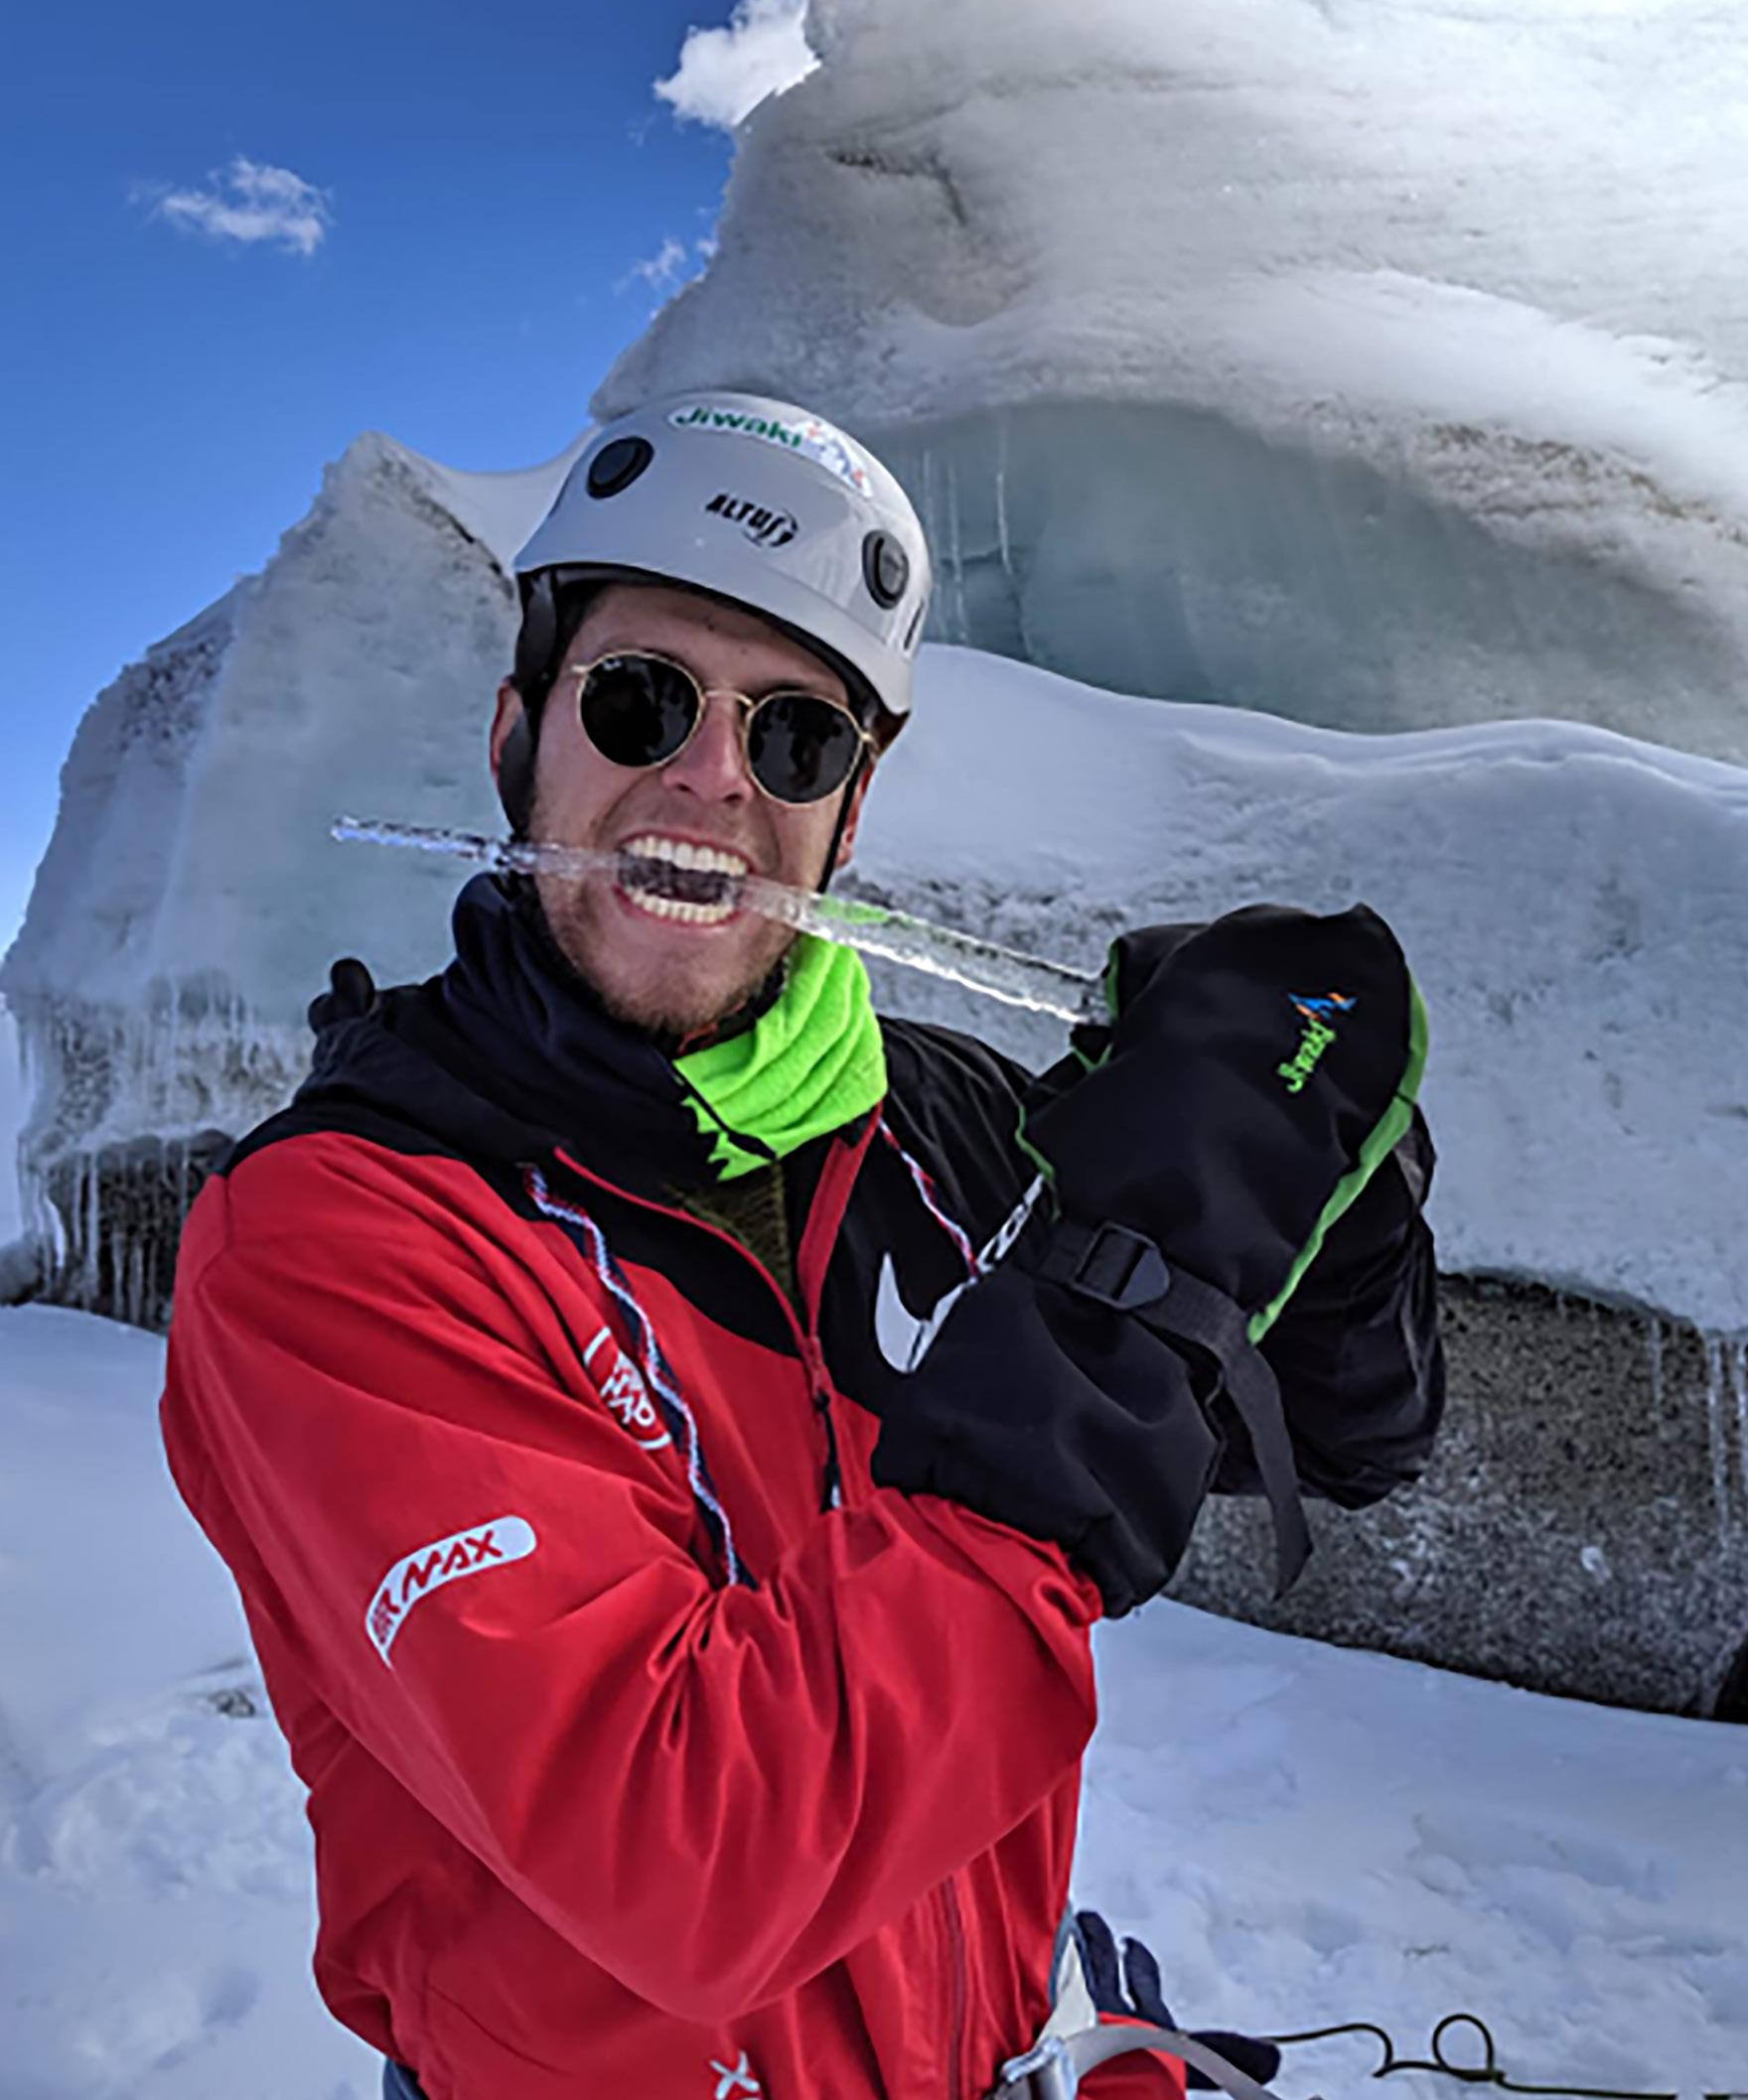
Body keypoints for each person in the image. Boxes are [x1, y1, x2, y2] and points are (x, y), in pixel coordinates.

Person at [162, 389, 1443, 2100]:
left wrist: (1320, 1182)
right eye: (639, 700)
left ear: (850, 815)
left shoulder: (941, 1124)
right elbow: (687, 1857)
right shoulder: (342, 1234)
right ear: (516, 735)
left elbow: (1353, 1437)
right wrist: (1112, 1301)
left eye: (797, 741)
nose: (711, 778)